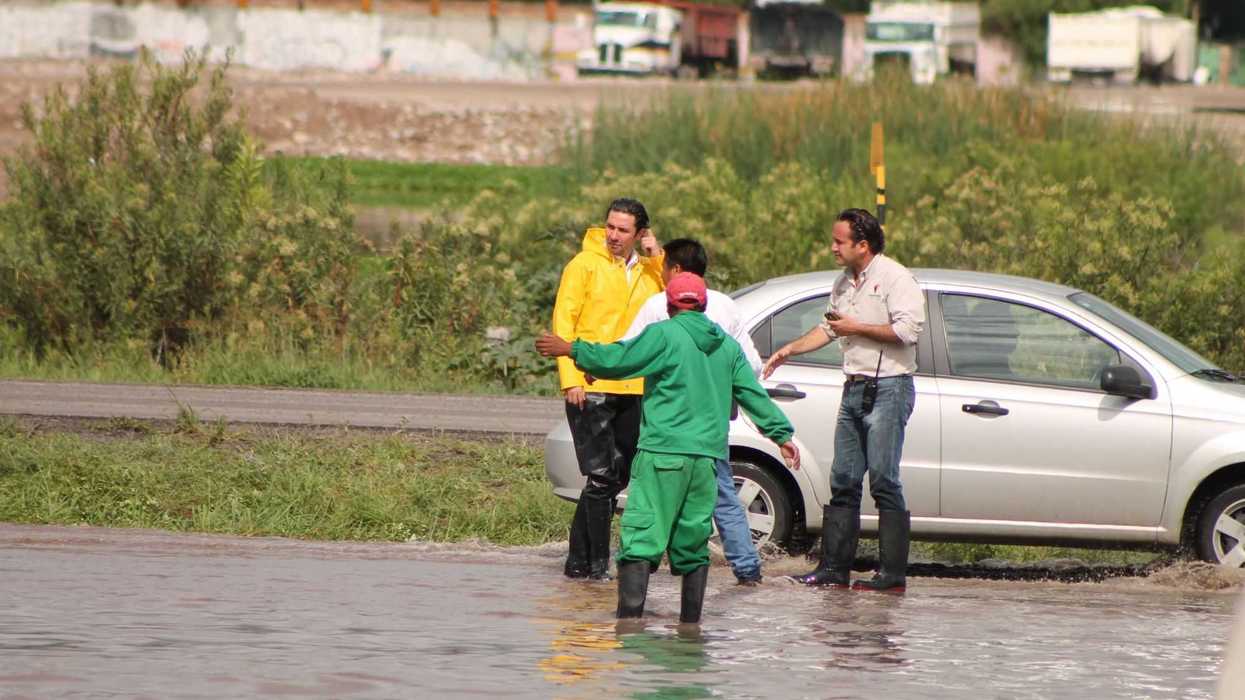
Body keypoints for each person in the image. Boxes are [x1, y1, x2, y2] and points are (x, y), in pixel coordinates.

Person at [536, 273, 800, 625]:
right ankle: (690, 630)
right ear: (703, 305)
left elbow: (619, 358)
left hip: (662, 454)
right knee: (692, 544)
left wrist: (571, 349)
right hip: (706, 459)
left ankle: (629, 627)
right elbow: (752, 394)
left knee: (641, 538)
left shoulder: (663, 334)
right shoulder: (726, 345)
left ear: (670, 306)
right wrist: (781, 435)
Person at [761, 208, 924, 593]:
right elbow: (828, 328)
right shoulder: (843, 282)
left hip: (890, 387)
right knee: (844, 479)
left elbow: (908, 330)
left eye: (839, 241)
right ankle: (833, 570)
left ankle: (892, 575)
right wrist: (790, 350)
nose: (832, 248)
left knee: (883, 478)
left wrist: (857, 328)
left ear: (862, 245)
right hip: (854, 387)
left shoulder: (896, 278)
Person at [621, 238, 767, 586]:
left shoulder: (659, 305)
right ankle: (746, 569)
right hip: (710, 426)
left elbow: (627, 353)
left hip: (667, 429)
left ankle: (639, 575)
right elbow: (753, 365)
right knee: (720, 494)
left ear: (672, 270)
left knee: (651, 502)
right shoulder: (726, 307)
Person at [552, 198, 665, 581]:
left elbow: (678, 298)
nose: (614, 236)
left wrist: (657, 256)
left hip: (634, 385)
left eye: (623, 230)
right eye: (610, 227)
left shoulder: (651, 271)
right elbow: (563, 321)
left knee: (617, 477)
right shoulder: (584, 265)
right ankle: (597, 569)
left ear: (640, 233)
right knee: (601, 477)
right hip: (590, 382)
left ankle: (578, 564)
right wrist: (570, 378)